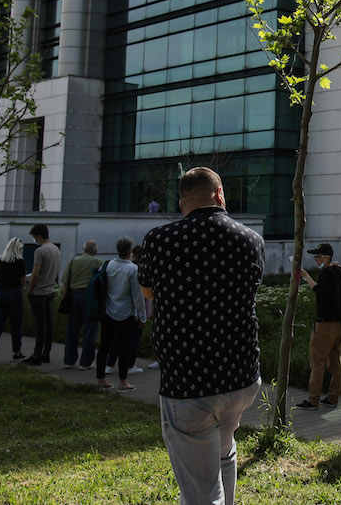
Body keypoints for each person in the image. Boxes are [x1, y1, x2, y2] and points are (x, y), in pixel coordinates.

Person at [137, 167, 265, 505]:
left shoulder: (159, 240)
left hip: (189, 381)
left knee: (201, 492)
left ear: (182, 204)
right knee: (225, 450)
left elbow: (148, 291)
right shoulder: (251, 239)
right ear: (220, 194)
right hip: (241, 377)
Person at [296, 242, 341, 410]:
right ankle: (333, 397)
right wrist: (339, 267)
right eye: (315, 257)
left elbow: (319, 291)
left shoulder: (325, 273)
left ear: (327, 258)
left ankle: (313, 399)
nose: (316, 260)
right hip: (339, 325)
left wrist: (305, 276)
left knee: (317, 362)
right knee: (335, 362)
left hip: (324, 326)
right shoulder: (337, 271)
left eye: (318, 257)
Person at [96, 237, 146, 390]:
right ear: (130, 251)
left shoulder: (108, 265)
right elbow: (137, 296)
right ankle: (123, 381)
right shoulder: (133, 269)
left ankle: (101, 378)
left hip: (108, 311)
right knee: (124, 348)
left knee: (104, 346)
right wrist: (142, 316)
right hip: (126, 313)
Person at [62, 240, 103, 370]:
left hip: (74, 296)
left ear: (83, 249)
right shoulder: (98, 263)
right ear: (95, 251)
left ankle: (69, 361)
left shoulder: (73, 261)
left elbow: (65, 282)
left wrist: (65, 298)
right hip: (91, 298)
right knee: (90, 330)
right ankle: (86, 362)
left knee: (72, 330)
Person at [24, 223, 59, 365]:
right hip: (50, 290)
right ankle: (46, 353)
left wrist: (29, 290)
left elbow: (35, 274)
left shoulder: (40, 251)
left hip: (38, 292)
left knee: (40, 325)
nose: (35, 240)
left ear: (39, 236)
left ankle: (36, 355)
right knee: (49, 324)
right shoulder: (55, 249)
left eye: (34, 237)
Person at [0, 237, 27, 361]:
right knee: (16, 325)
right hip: (14, 293)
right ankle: (17, 352)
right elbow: (22, 280)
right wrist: (21, 290)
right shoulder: (20, 261)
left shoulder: (0, 260)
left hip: (1, 292)